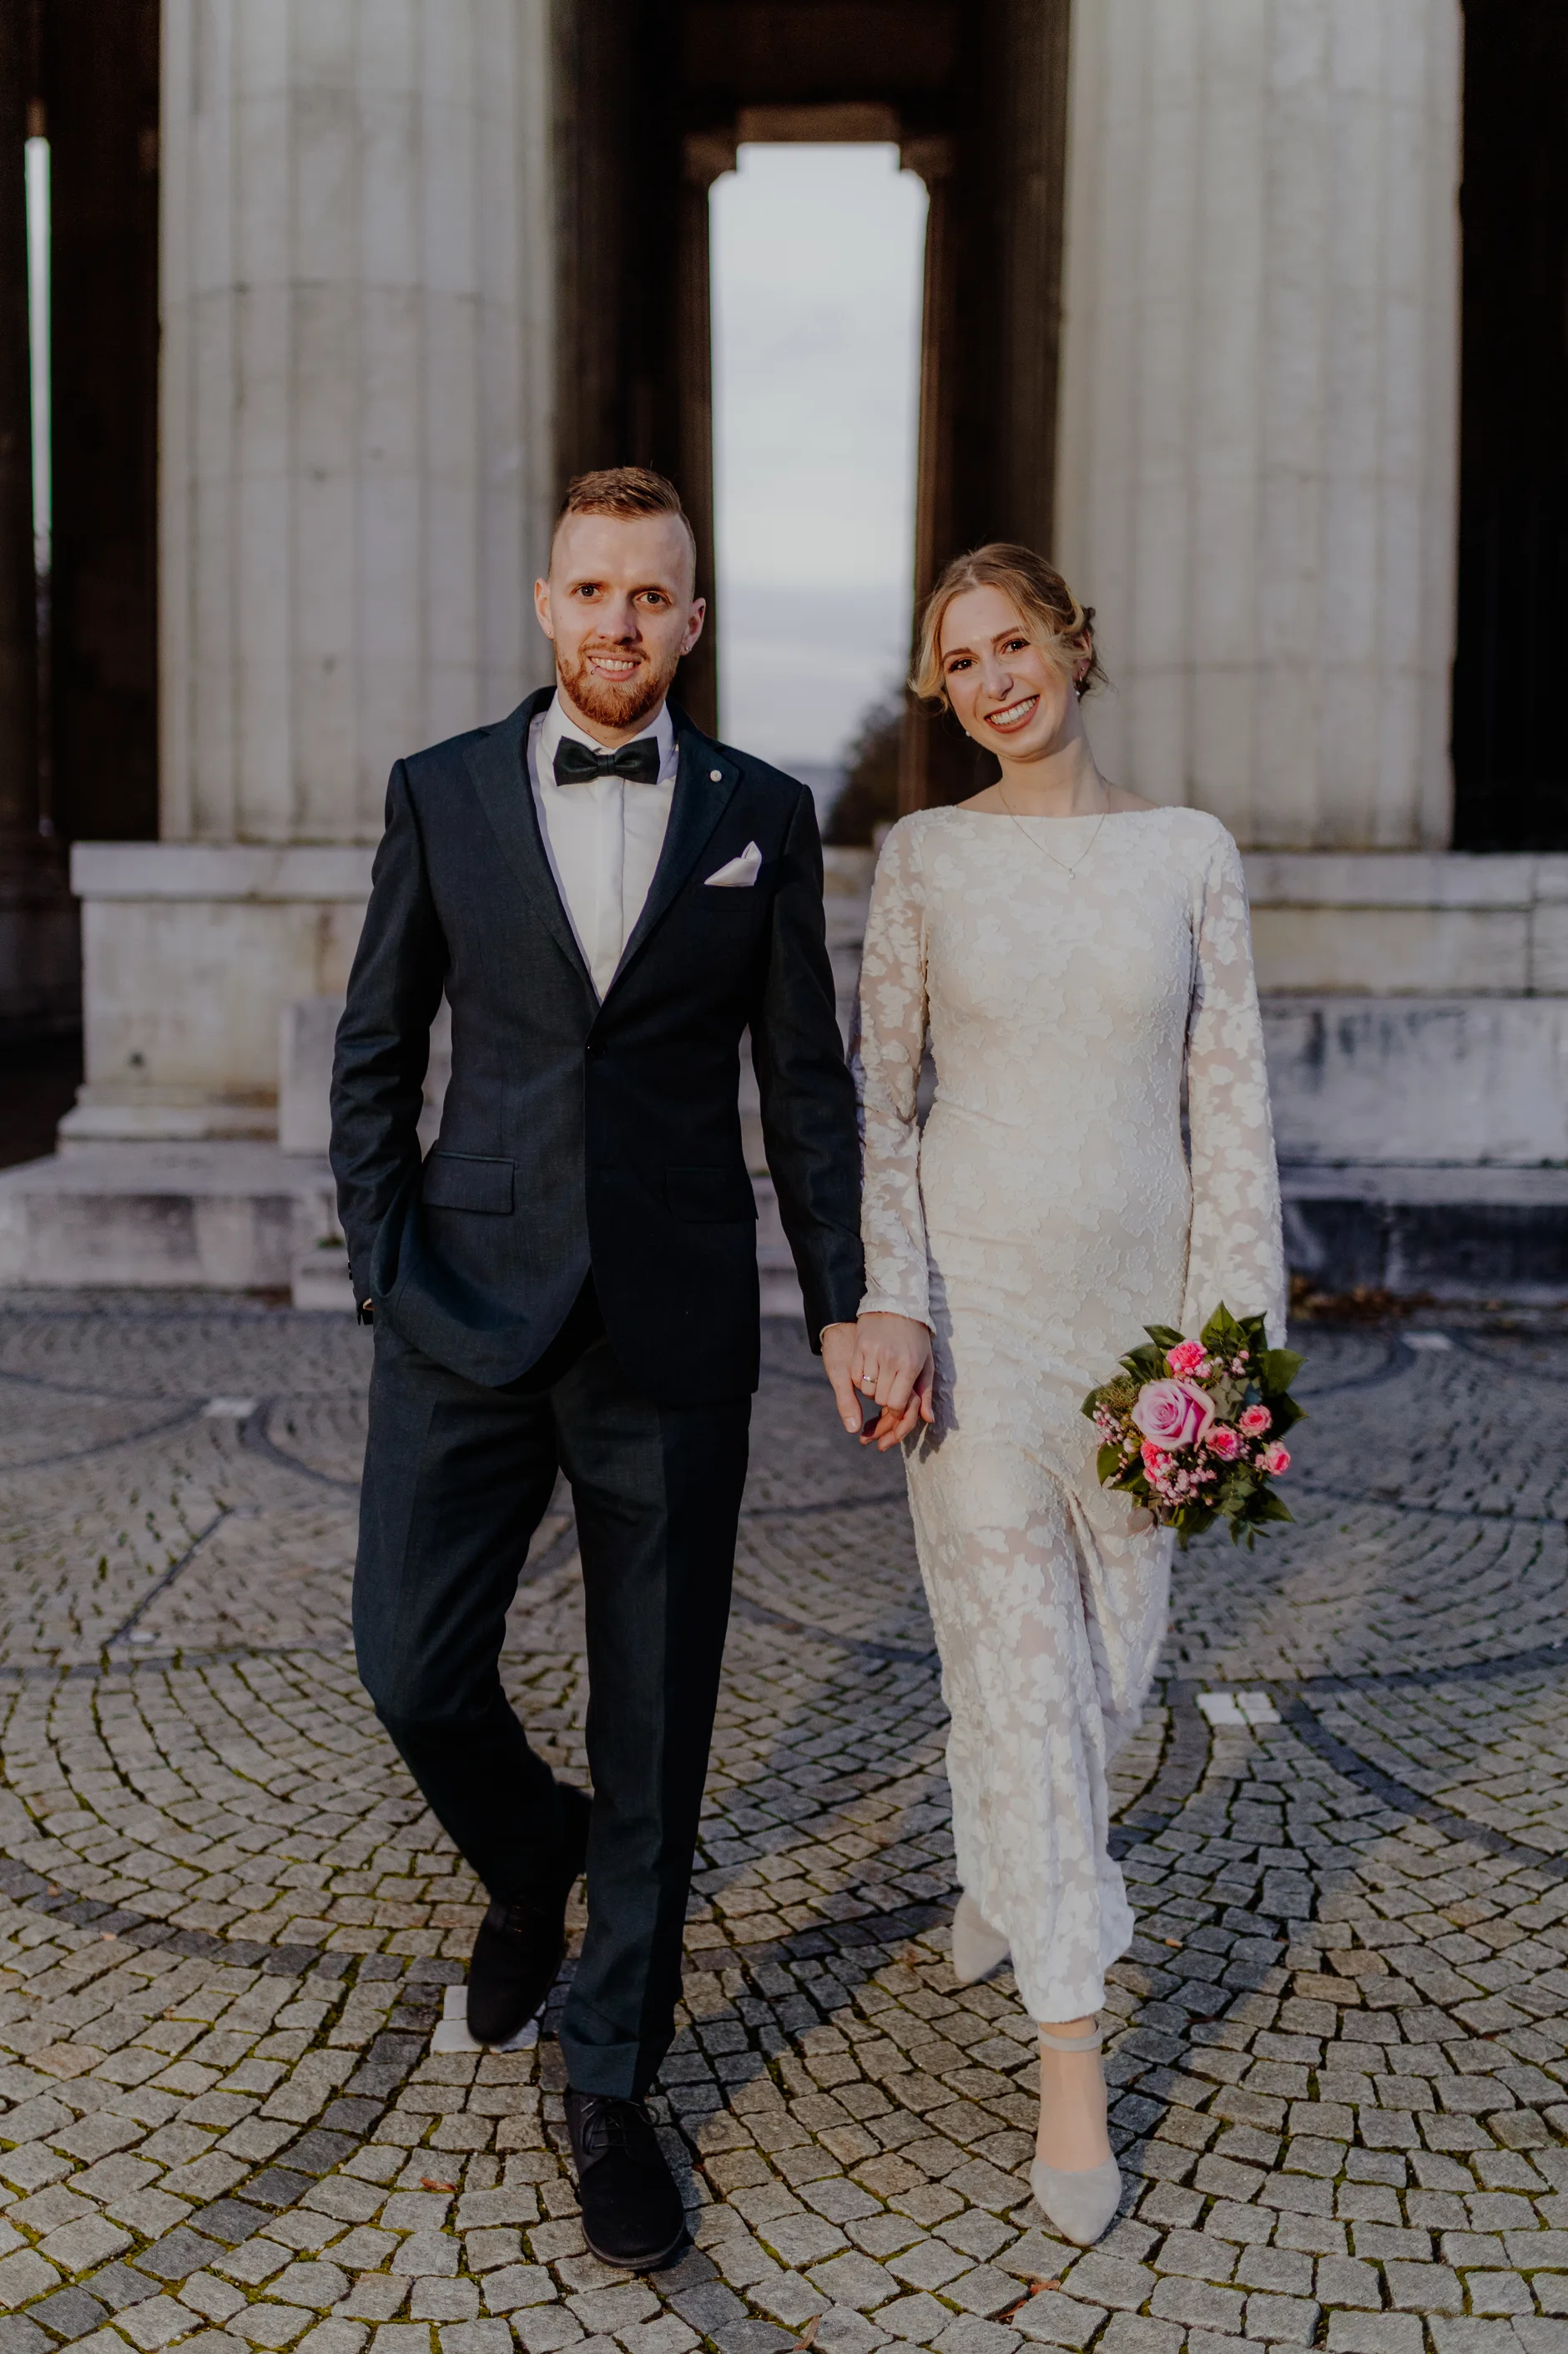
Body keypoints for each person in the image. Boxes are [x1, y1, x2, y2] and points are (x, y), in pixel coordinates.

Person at [330, 467, 867, 2272]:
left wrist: (846, 1294)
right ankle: (525, 1851)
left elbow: (805, 1083)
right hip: (462, 1310)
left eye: (653, 597)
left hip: (672, 1327)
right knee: (407, 1665)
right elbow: (375, 1049)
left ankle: (613, 2079)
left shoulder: (762, 817)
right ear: (544, 607)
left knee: (661, 1722)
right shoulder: (444, 793)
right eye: (591, 592)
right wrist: (390, 1270)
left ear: (692, 622)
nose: (619, 624)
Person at [847, 544, 1285, 2245]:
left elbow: (1231, 1117)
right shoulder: (924, 859)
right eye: (960, 664)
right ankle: (1073, 2072)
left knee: (1103, 1684)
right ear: (943, 696)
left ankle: (996, 1867)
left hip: (1139, 1352)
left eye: (1014, 643)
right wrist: (889, 1303)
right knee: (1028, 1670)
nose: (994, 681)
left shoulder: (1190, 856)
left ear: (1077, 645)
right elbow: (882, 1104)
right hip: (974, 1329)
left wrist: (1222, 1362)